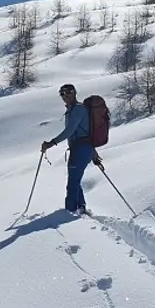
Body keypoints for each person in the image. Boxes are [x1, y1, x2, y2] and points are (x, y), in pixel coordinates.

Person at [41, 83, 102, 214]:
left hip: (81, 148)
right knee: (75, 180)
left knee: (72, 182)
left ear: (74, 92)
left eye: (68, 92)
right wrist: (92, 153)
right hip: (79, 148)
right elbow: (84, 131)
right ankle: (80, 207)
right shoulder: (71, 110)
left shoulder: (78, 109)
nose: (65, 96)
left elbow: (69, 131)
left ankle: (70, 212)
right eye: (62, 94)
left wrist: (51, 143)